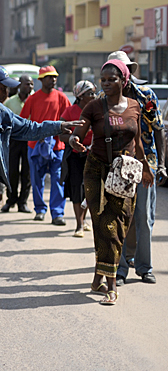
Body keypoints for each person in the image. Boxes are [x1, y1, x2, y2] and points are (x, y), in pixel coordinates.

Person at [0, 64, 80, 314]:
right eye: (3, 87)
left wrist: (60, 126)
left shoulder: (1, 113)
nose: (7, 92)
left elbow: (29, 128)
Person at [69, 59, 153, 305]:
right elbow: (80, 131)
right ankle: (112, 284)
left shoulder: (135, 107)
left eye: (111, 79)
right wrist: (75, 140)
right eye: (103, 79)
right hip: (96, 169)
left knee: (119, 225)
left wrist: (146, 168)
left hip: (125, 172)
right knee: (103, 224)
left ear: (123, 81)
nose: (105, 83)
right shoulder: (94, 106)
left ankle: (98, 274)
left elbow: (137, 142)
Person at [107, 51, 166, 286]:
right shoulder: (107, 98)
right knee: (120, 218)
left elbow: (159, 129)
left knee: (144, 218)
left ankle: (144, 268)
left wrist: (160, 164)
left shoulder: (146, 96)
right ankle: (120, 269)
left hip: (145, 165)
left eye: (123, 69)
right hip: (119, 166)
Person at [20, 65, 71, 225]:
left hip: (57, 147)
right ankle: (40, 210)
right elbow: (23, 120)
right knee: (37, 179)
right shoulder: (33, 99)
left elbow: (68, 120)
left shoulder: (62, 97)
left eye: (55, 77)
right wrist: (35, 135)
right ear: (41, 80)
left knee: (57, 179)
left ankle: (57, 213)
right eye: (49, 77)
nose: (53, 80)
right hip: (35, 145)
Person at [60, 80, 96, 237]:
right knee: (76, 187)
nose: (93, 96)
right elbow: (61, 133)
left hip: (93, 155)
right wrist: (72, 140)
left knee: (89, 188)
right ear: (80, 96)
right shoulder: (70, 112)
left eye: (94, 92)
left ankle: (84, 219)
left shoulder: (97, 111)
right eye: (90, 93)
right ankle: (79, 224)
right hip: (74, 156)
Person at [0, 75, 35, 213]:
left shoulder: (34, 100)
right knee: (12, 171)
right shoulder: (10, 102)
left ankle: (23, 202)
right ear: (20, 85)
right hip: (13, 140)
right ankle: (11, 200)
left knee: (27, 173)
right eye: (27, 84)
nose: (30, 87)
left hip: (29, 139)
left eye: (32, 84)